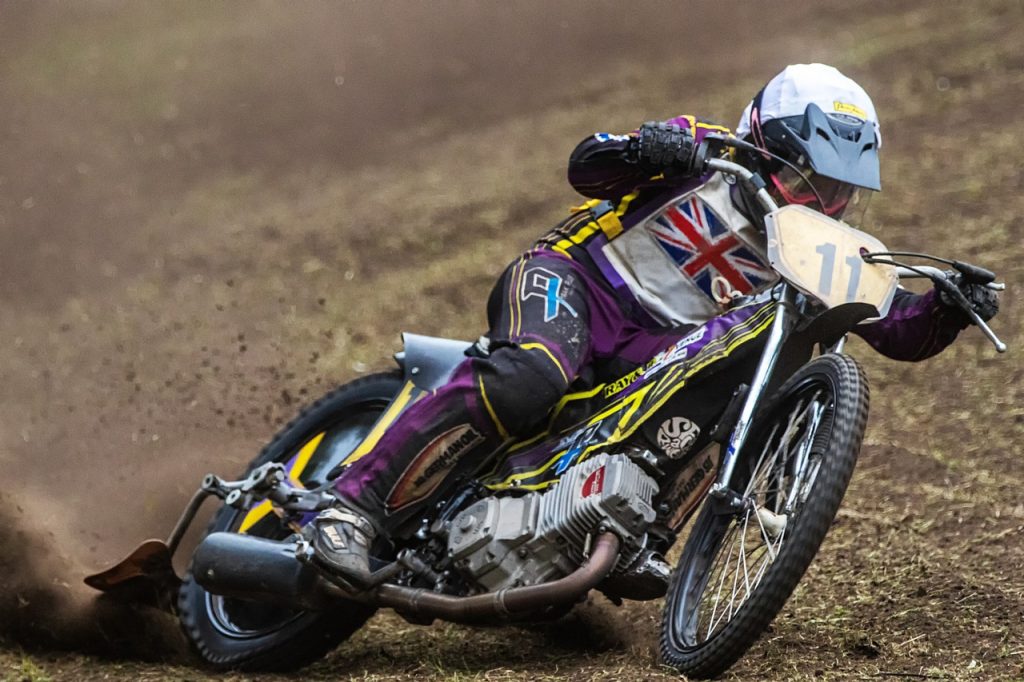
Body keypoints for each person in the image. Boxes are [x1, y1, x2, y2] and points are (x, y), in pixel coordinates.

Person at [307, 63, 999, 588]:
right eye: (812, 183)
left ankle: (620, 534)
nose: (828, 202)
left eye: (844, 190)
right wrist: (650, 150)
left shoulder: (827, 256)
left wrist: (948, 307)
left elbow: (896, 327)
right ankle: (350, 508)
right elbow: (586, 165)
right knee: (531, 376)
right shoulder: (707, 151)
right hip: (574, 283)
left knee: (734, 394)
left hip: (653, 356)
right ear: (765, 145)